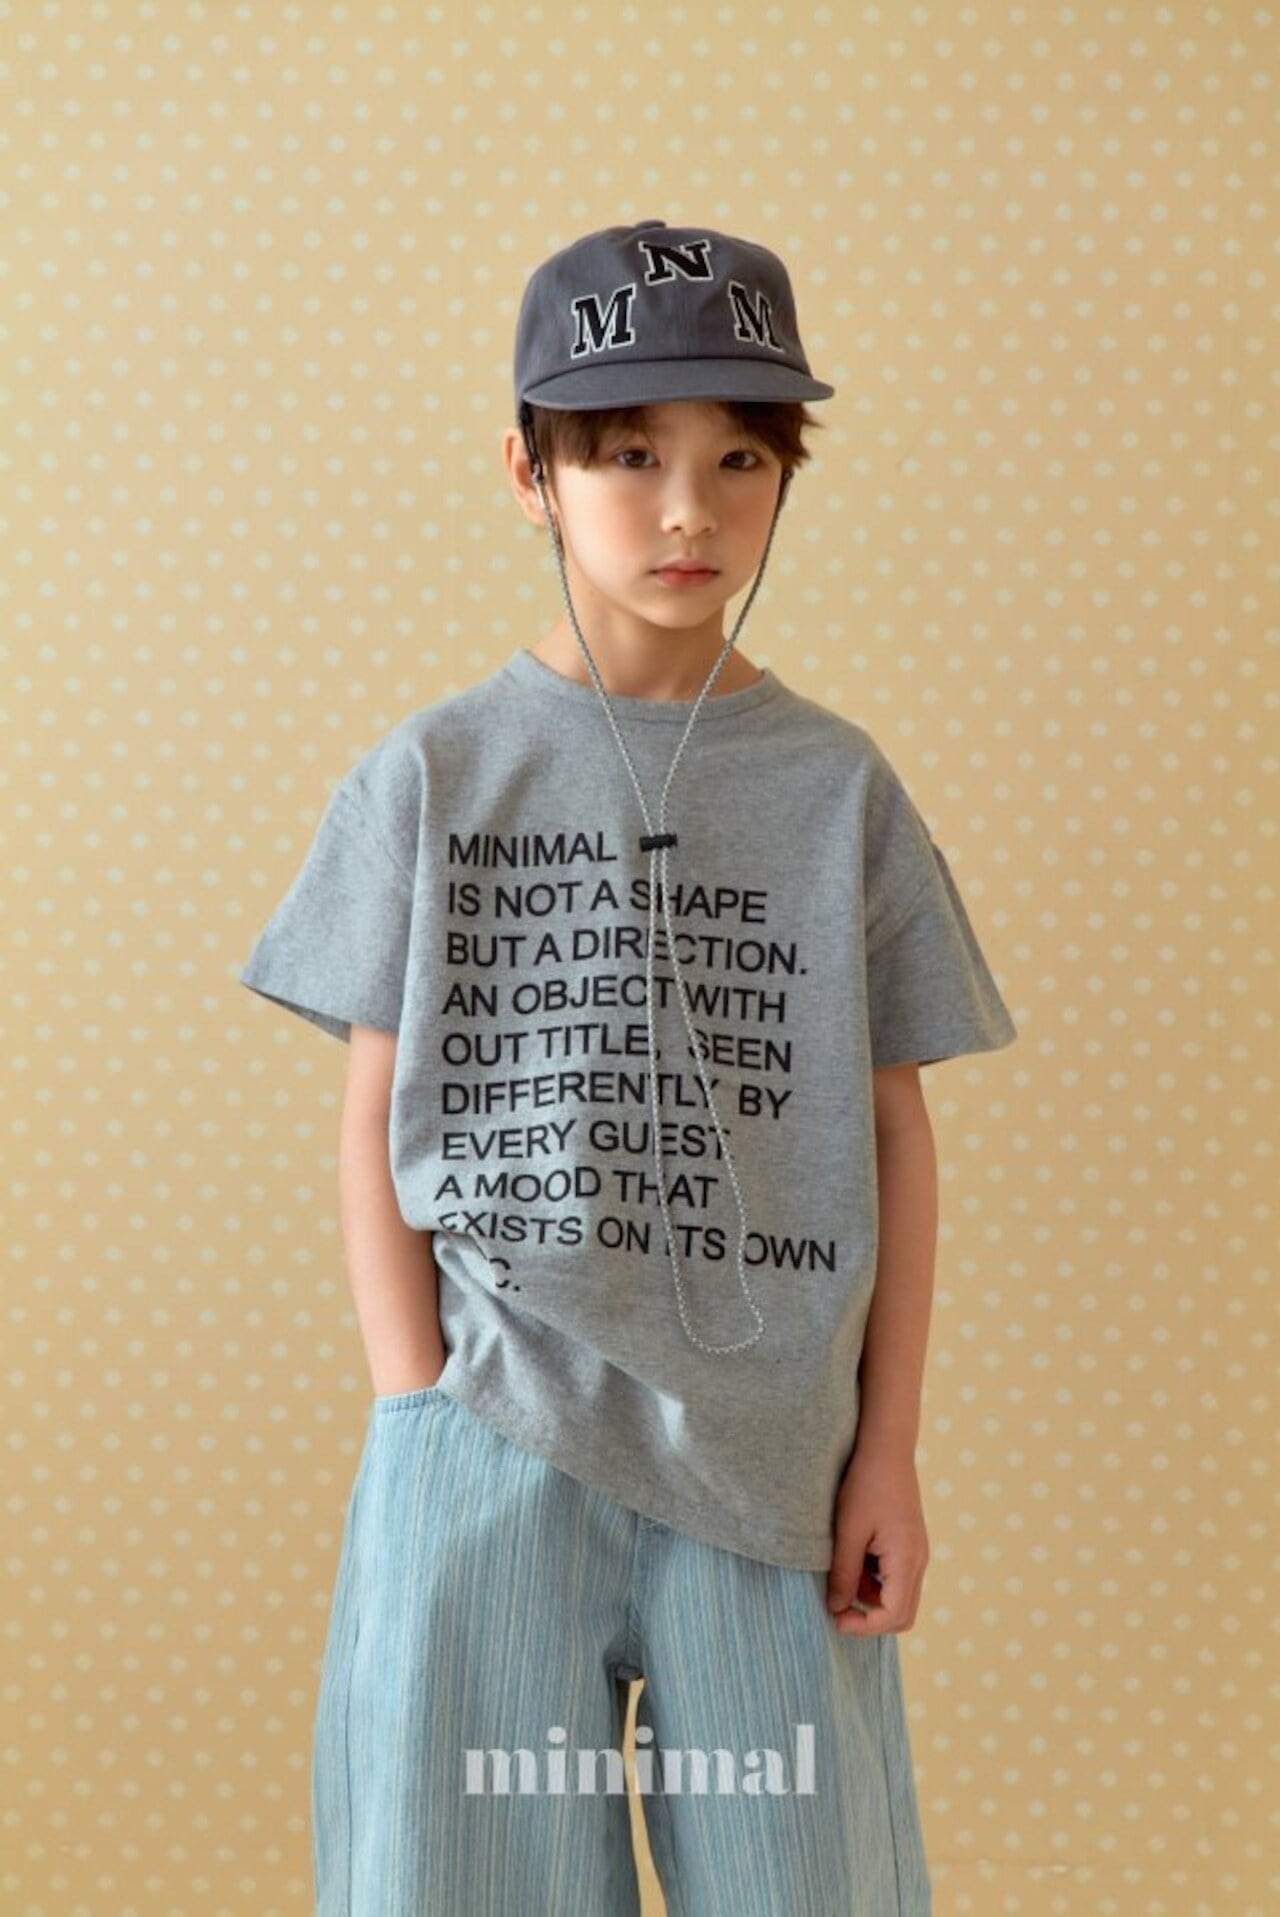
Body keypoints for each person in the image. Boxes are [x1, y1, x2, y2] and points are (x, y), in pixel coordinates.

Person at [239, 219, 1018, 1915]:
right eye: (631, 455)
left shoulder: (838, 788)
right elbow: (375, 1109)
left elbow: (893, 1127)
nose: (689, 511)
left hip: (773, 1465)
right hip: (488, 1433)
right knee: (454, 1877)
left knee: (809, 1880)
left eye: (740, 457)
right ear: (530, 471)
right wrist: (412, 1399)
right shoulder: (435, 773)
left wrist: (887, 1448)